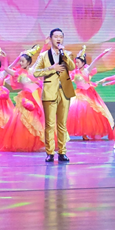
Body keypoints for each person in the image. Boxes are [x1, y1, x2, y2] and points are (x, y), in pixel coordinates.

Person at [33, 28, 76, 163]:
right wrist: (51, 69)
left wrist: (65, 55)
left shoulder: (66, 54)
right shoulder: (44, 56)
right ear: (50, 38)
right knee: (50, 124)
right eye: (56, 36)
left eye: (60, 37)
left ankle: (62, 152)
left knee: (62, 124)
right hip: (50, 92)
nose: (58, 39)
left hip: (64, 91)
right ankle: (50, 152)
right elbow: (36, 72)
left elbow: (72, 67)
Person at [0, 45, 46, 153]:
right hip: (25, 99)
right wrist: (5, 59)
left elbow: (39, 58)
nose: (20, 63)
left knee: (37, 121)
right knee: (24, 121)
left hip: (36, 98)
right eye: (20, 61)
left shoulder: (33, 71)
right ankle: (25, 142)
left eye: (23, 61)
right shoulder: (18, 72)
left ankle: (38, 143)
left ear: (28, 62)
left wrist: (45, 45)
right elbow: (6, 69)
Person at [68, 46, 115, 140]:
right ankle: (83, 134)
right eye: (76, 62)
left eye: (78, 62)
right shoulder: (74, 73)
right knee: (79, 113)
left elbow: (95, 61)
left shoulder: (87, 71)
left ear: (83, 63)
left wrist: (104, 53)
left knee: (90, 113)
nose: (76, 64)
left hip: (88, 94)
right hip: (79, 94)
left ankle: (88, 132)